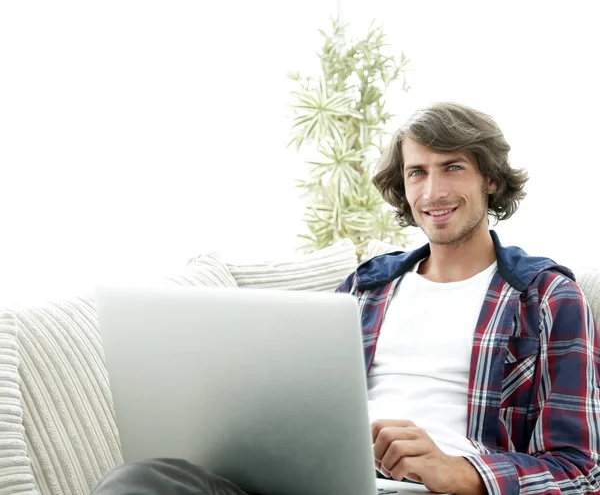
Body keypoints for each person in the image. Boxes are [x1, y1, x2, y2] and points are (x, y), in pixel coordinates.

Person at [92, 102, 600, 494]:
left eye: (453, 168)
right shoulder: (365, 288)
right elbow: (294, 405)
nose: (432, 192)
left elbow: (580, 471)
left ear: (490, 179)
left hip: (428, 488)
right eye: (417, 172)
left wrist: (461, 472)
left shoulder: (547, 296)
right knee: (146, 478)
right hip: (316, 479)